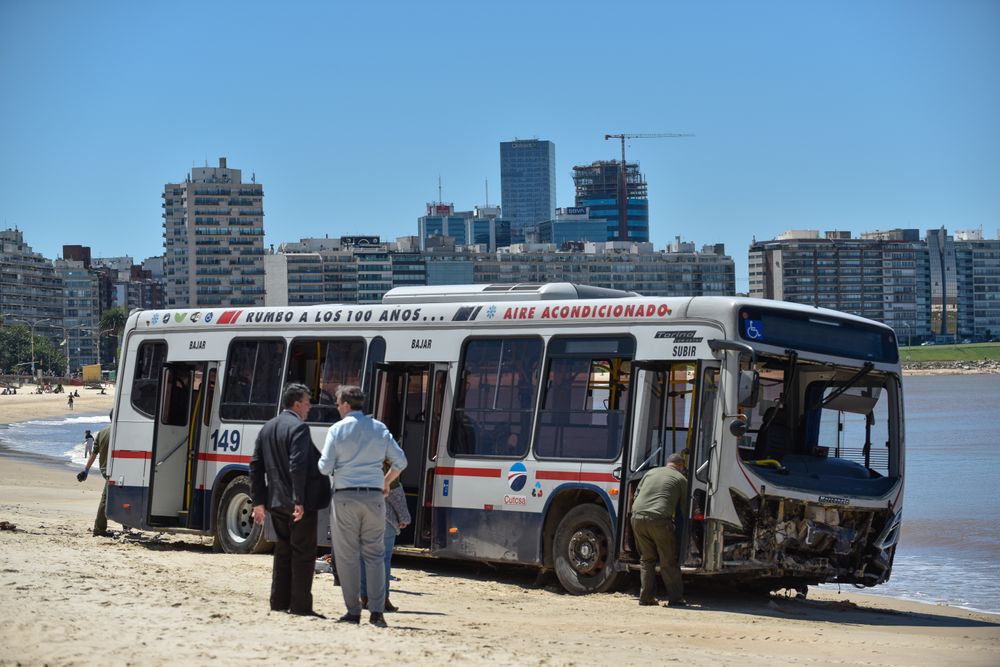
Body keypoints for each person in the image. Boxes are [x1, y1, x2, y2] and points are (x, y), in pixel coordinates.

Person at [318, 385, 406, 628]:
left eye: (337, 404)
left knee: (347, 557)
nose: (337, 408)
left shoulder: (337, 430)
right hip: (375, 498)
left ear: (346, 404)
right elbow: (401, 461)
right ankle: (377, 613)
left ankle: (353, 612)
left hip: (345, 497)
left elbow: (324, 468)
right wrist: (386, 482)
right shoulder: (379, 428)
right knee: (376, 556)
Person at [249, 383, 330, 617]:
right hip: (298, 503)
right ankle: (301, 606)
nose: (310, 406)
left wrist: (259, 502)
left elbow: (255, 465)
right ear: (296, 403)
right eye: (307, 401)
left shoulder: (268, 427)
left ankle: (278, 602)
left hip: (275, 502)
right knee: (303, 554)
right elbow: (298, 465)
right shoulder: (299, 428)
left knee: (283, 552)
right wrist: (298, 500)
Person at [630, 452, 688, 607]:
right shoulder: (681, 479)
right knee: (668, 560)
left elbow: (636, 495)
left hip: (637, 517)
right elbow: (685, 508)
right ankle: (675, 599)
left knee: (647, 559)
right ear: (680, 465)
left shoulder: (651, 472)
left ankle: (646, 598)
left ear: (668, 463)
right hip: (659, 520)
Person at [359, 460, 411, 613]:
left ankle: (365, 598)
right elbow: (395, 495)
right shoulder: (386, 467)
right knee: (382, 560)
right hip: (383, 518)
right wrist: (405, 517)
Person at [77, 413, 113, 536]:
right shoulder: (121, 431)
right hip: (115, 470)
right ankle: (99, 528)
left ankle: (125, 526)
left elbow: (94, 454)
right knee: (106, 498)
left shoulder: (102, 432)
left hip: (104, 469)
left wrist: (86, 470)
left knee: (111, 496)